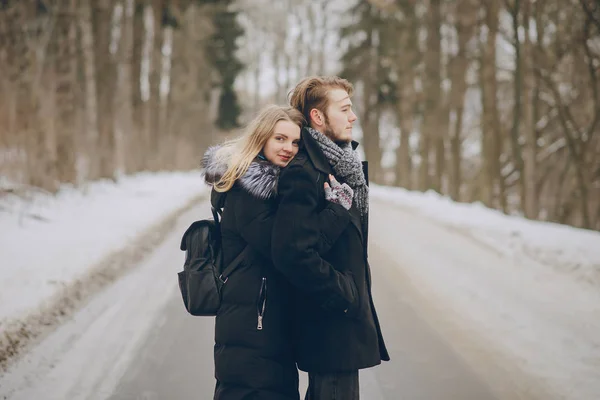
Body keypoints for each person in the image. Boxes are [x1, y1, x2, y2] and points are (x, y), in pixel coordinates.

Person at [201, 105, 357, 400]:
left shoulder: (269, 187)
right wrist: (337, 210)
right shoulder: (250, 190)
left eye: (296, 142)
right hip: (252, 329)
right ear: (261, 139)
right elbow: (291, 247)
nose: (289, 148)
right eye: (280, 139)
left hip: (265, 328)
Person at [271, 77, 390, 400]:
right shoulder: (305, 171)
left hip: (340, 327)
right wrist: (343, 292)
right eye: (345, 109)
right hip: (330, 327)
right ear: (318, 118)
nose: (353, 117)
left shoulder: (338, 168)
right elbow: (291, 253)